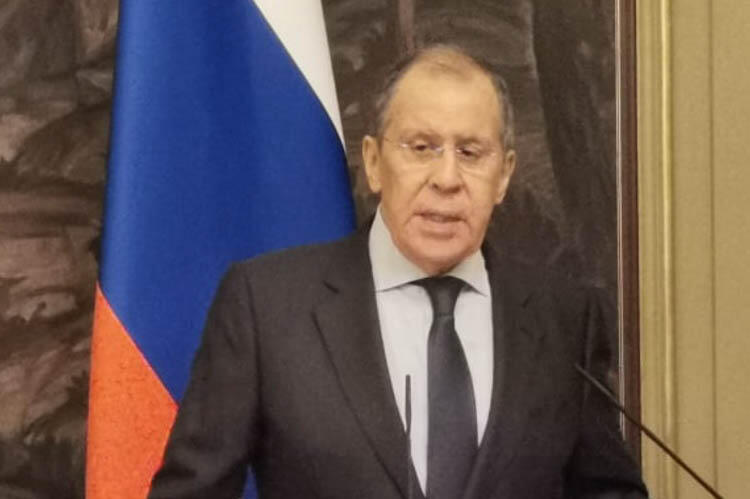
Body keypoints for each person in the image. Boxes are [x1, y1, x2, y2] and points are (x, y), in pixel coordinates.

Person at [149, 45, 648, 499]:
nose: (447, 179)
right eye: (421, 147)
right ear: (373, 162)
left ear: (503, 175)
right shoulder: (268, 307)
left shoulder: (564, 319)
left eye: (470, 153)